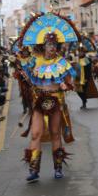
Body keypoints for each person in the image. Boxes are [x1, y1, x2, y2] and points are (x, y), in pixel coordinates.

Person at [20, 13, 78, 182]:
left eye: (54, 44)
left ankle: (58, 168)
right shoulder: (35, 61)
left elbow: (69, 81)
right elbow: (26, 75)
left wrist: (67, 85)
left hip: (56, 102)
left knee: (54, 134)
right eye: (49, 44)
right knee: (36, 134)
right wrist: (23, 72)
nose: (52, 47)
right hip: (39, 101)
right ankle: (33, 170)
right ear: (43, 45)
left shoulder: (62, 63)